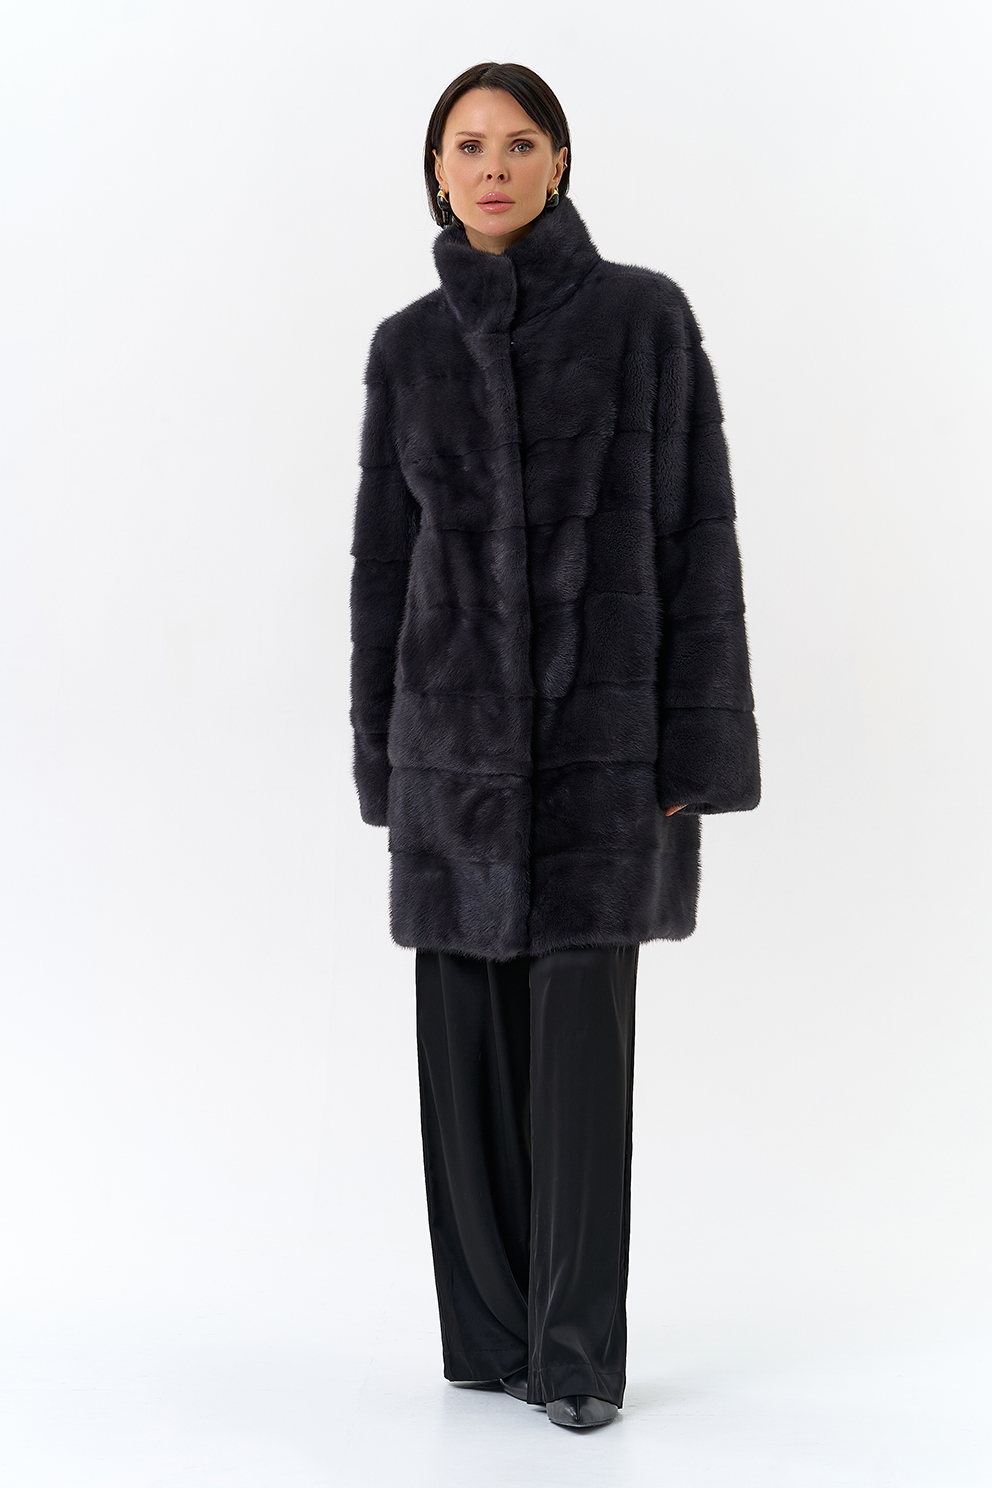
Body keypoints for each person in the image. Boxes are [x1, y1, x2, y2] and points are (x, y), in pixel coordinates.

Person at [348, 61, 760, 1431]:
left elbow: (698, 543)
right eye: (469, 146)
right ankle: (486, 1341)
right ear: (437, 170)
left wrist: (693, 753)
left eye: (521, 143)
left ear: (562, 161)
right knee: (463, 1063)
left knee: (581, 1066)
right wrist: (384, 760)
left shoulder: (645, 321)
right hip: (452, 759)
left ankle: (574, 1358)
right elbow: (385, 570)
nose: (495, 167)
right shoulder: (407, 349)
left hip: (604, 759)